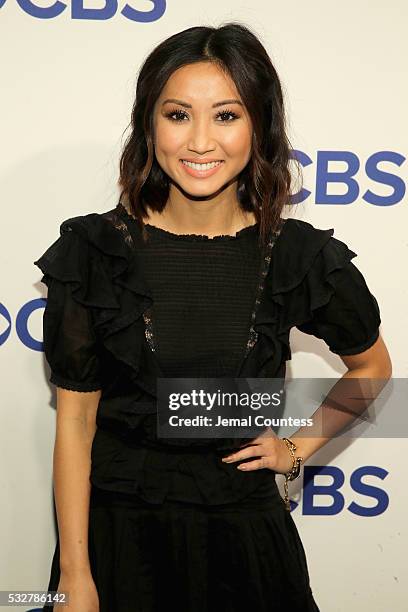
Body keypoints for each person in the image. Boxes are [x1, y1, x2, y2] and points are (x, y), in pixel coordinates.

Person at [34, 22, 392, 612]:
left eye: (226, 115)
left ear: (260, 125)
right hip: (120, 535)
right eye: (178, 115)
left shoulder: (298, 256)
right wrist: (75, 574)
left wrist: (296, 449)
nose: (200, 141)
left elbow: (373, 369)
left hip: (244, 537)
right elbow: (74, 422)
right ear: (150, 126)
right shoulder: (95, 251)